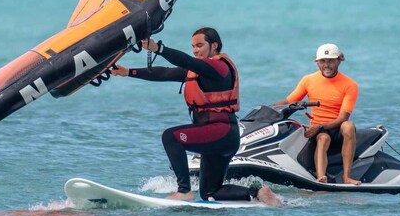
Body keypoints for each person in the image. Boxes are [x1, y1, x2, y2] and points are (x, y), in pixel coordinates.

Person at [113, 27, 282, 206]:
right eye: (193, 46)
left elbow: (186, 61)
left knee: (171, 137)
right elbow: (165, 73)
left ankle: (184, 190)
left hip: (220, 131)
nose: (195, 50)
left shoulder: (219, 67)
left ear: (214, 45)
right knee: (211, 192)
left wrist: (158, 49)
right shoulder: (200, 70)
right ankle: (258, 193)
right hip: (223, 136)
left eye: (200, 45)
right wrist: (128, 72)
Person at [275, 43, 361, 185]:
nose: (326, 65)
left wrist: (320, 126)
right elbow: (288, 101)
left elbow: (343, 118)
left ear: (339, 60)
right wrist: (266, 108)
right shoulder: (308, 80)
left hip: (336, 127)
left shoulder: (350, 85)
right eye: (322, 61)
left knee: (348, 126)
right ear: (317, 62)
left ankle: (347, 177)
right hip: (319, 130)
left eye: (331, 61)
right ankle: (321, 178)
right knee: (323, 139)